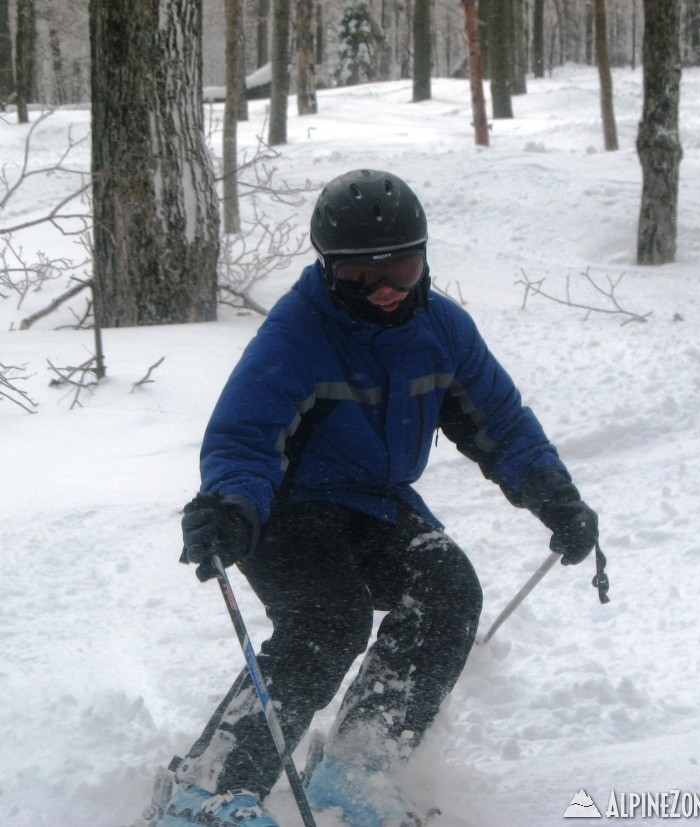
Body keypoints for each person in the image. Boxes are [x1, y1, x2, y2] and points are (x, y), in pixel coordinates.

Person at [140, 169, 599, 827]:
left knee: (448, 592)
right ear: (328, 269)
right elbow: (246, 434)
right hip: (286, 505)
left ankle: (358, 766)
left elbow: (500, 421)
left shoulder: (443, 329)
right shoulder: (298, 331)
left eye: (403, 269)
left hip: (376, 500)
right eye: (361, 277)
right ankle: (206, 790)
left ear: (425, 258)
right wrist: (231, 506)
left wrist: (556, 498)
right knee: (328, 620)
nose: (385, 290)